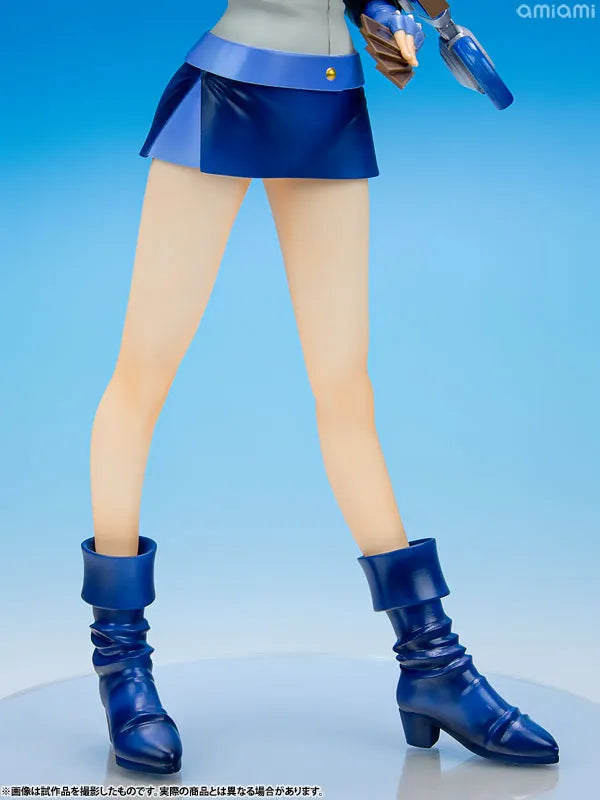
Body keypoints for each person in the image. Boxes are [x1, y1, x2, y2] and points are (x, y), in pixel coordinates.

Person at [79, 0, 559, 775]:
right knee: (141, 376)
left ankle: (433, 664)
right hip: (227, 89)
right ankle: (120, 665)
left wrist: (382, 12)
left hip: (327, 99)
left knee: (347, 390)